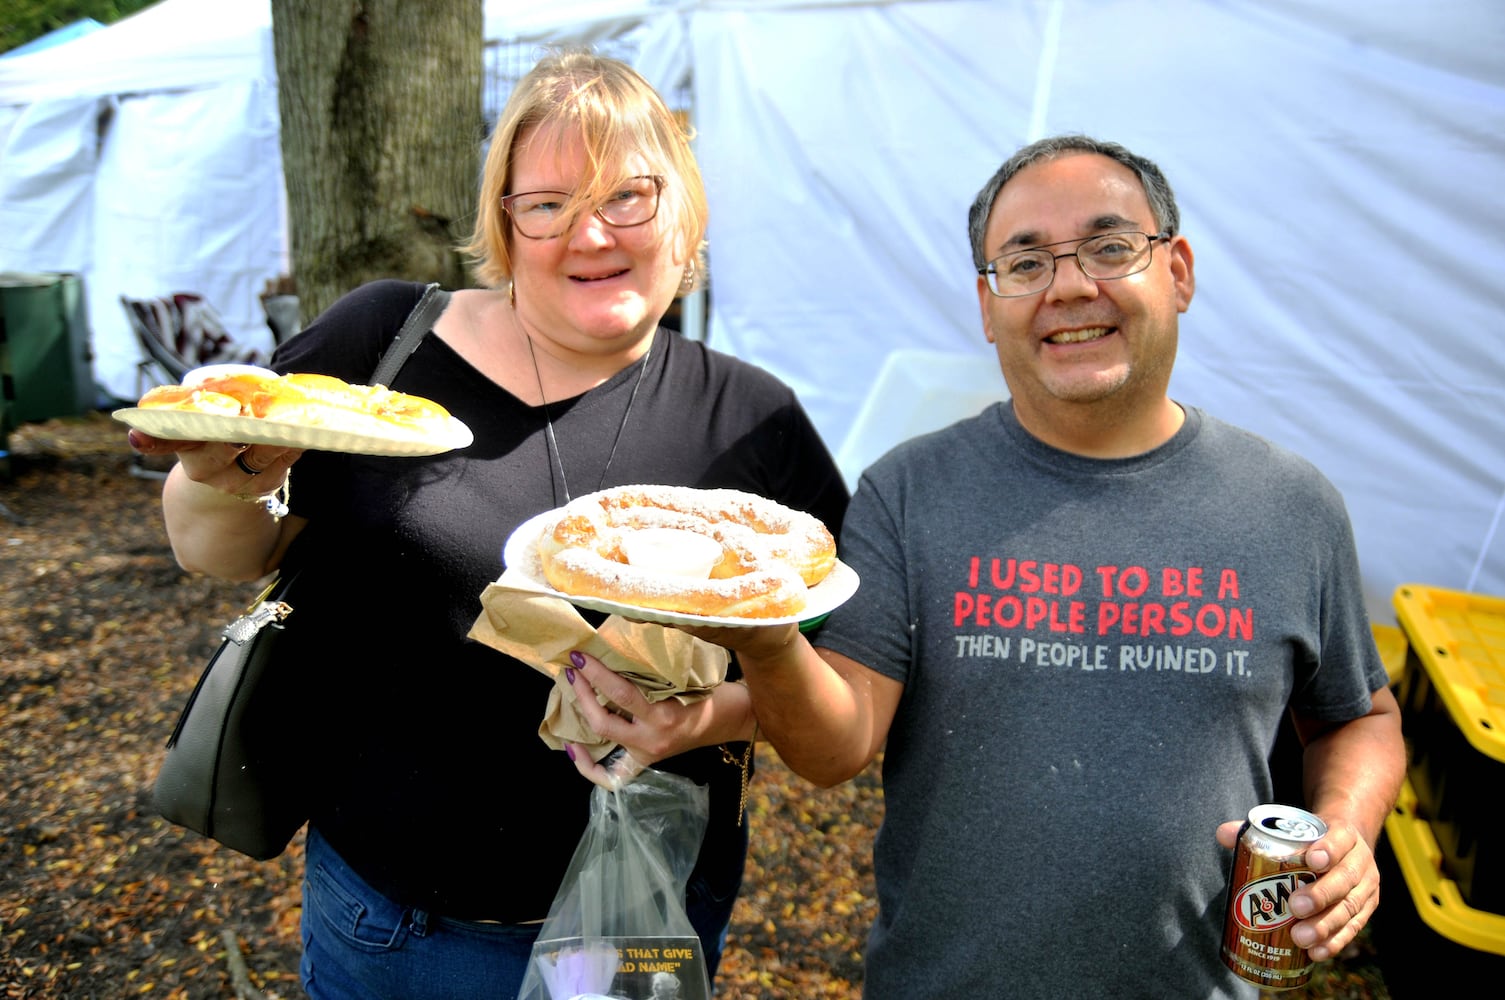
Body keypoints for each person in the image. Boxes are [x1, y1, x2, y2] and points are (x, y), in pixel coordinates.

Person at [585, 134, 1404, 998]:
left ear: (1180, 271)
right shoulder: (909, 491)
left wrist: (1346, 829)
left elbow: (1358, 716)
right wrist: (766, 636)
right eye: (1024, 263)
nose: (1069, 286)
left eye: (1111, 247)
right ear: (987, 304)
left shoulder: (1288, 506)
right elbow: (837, 748)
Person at [129, 51, 847, 999]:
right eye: (546, 204)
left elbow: (825, 691)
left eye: (629, 196)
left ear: (686, 214)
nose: (589, 232)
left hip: (642, 918)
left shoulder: (748, 419)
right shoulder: (385, 346)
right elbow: (224, 551)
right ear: (505, 225)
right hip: (400, 926)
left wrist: (703, 717)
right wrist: (219, 474)